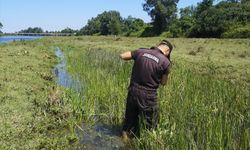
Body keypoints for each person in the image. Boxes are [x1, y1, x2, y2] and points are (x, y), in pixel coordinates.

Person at [119, 40, 173, 142]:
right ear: (167, 51)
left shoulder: (141, 51)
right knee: (150, 124)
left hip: (133, 91)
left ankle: (125, 141)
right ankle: (145, 143)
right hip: (149, 95)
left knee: (129, 121)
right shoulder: (165, 62)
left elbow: (122, 56)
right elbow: (163, 83)